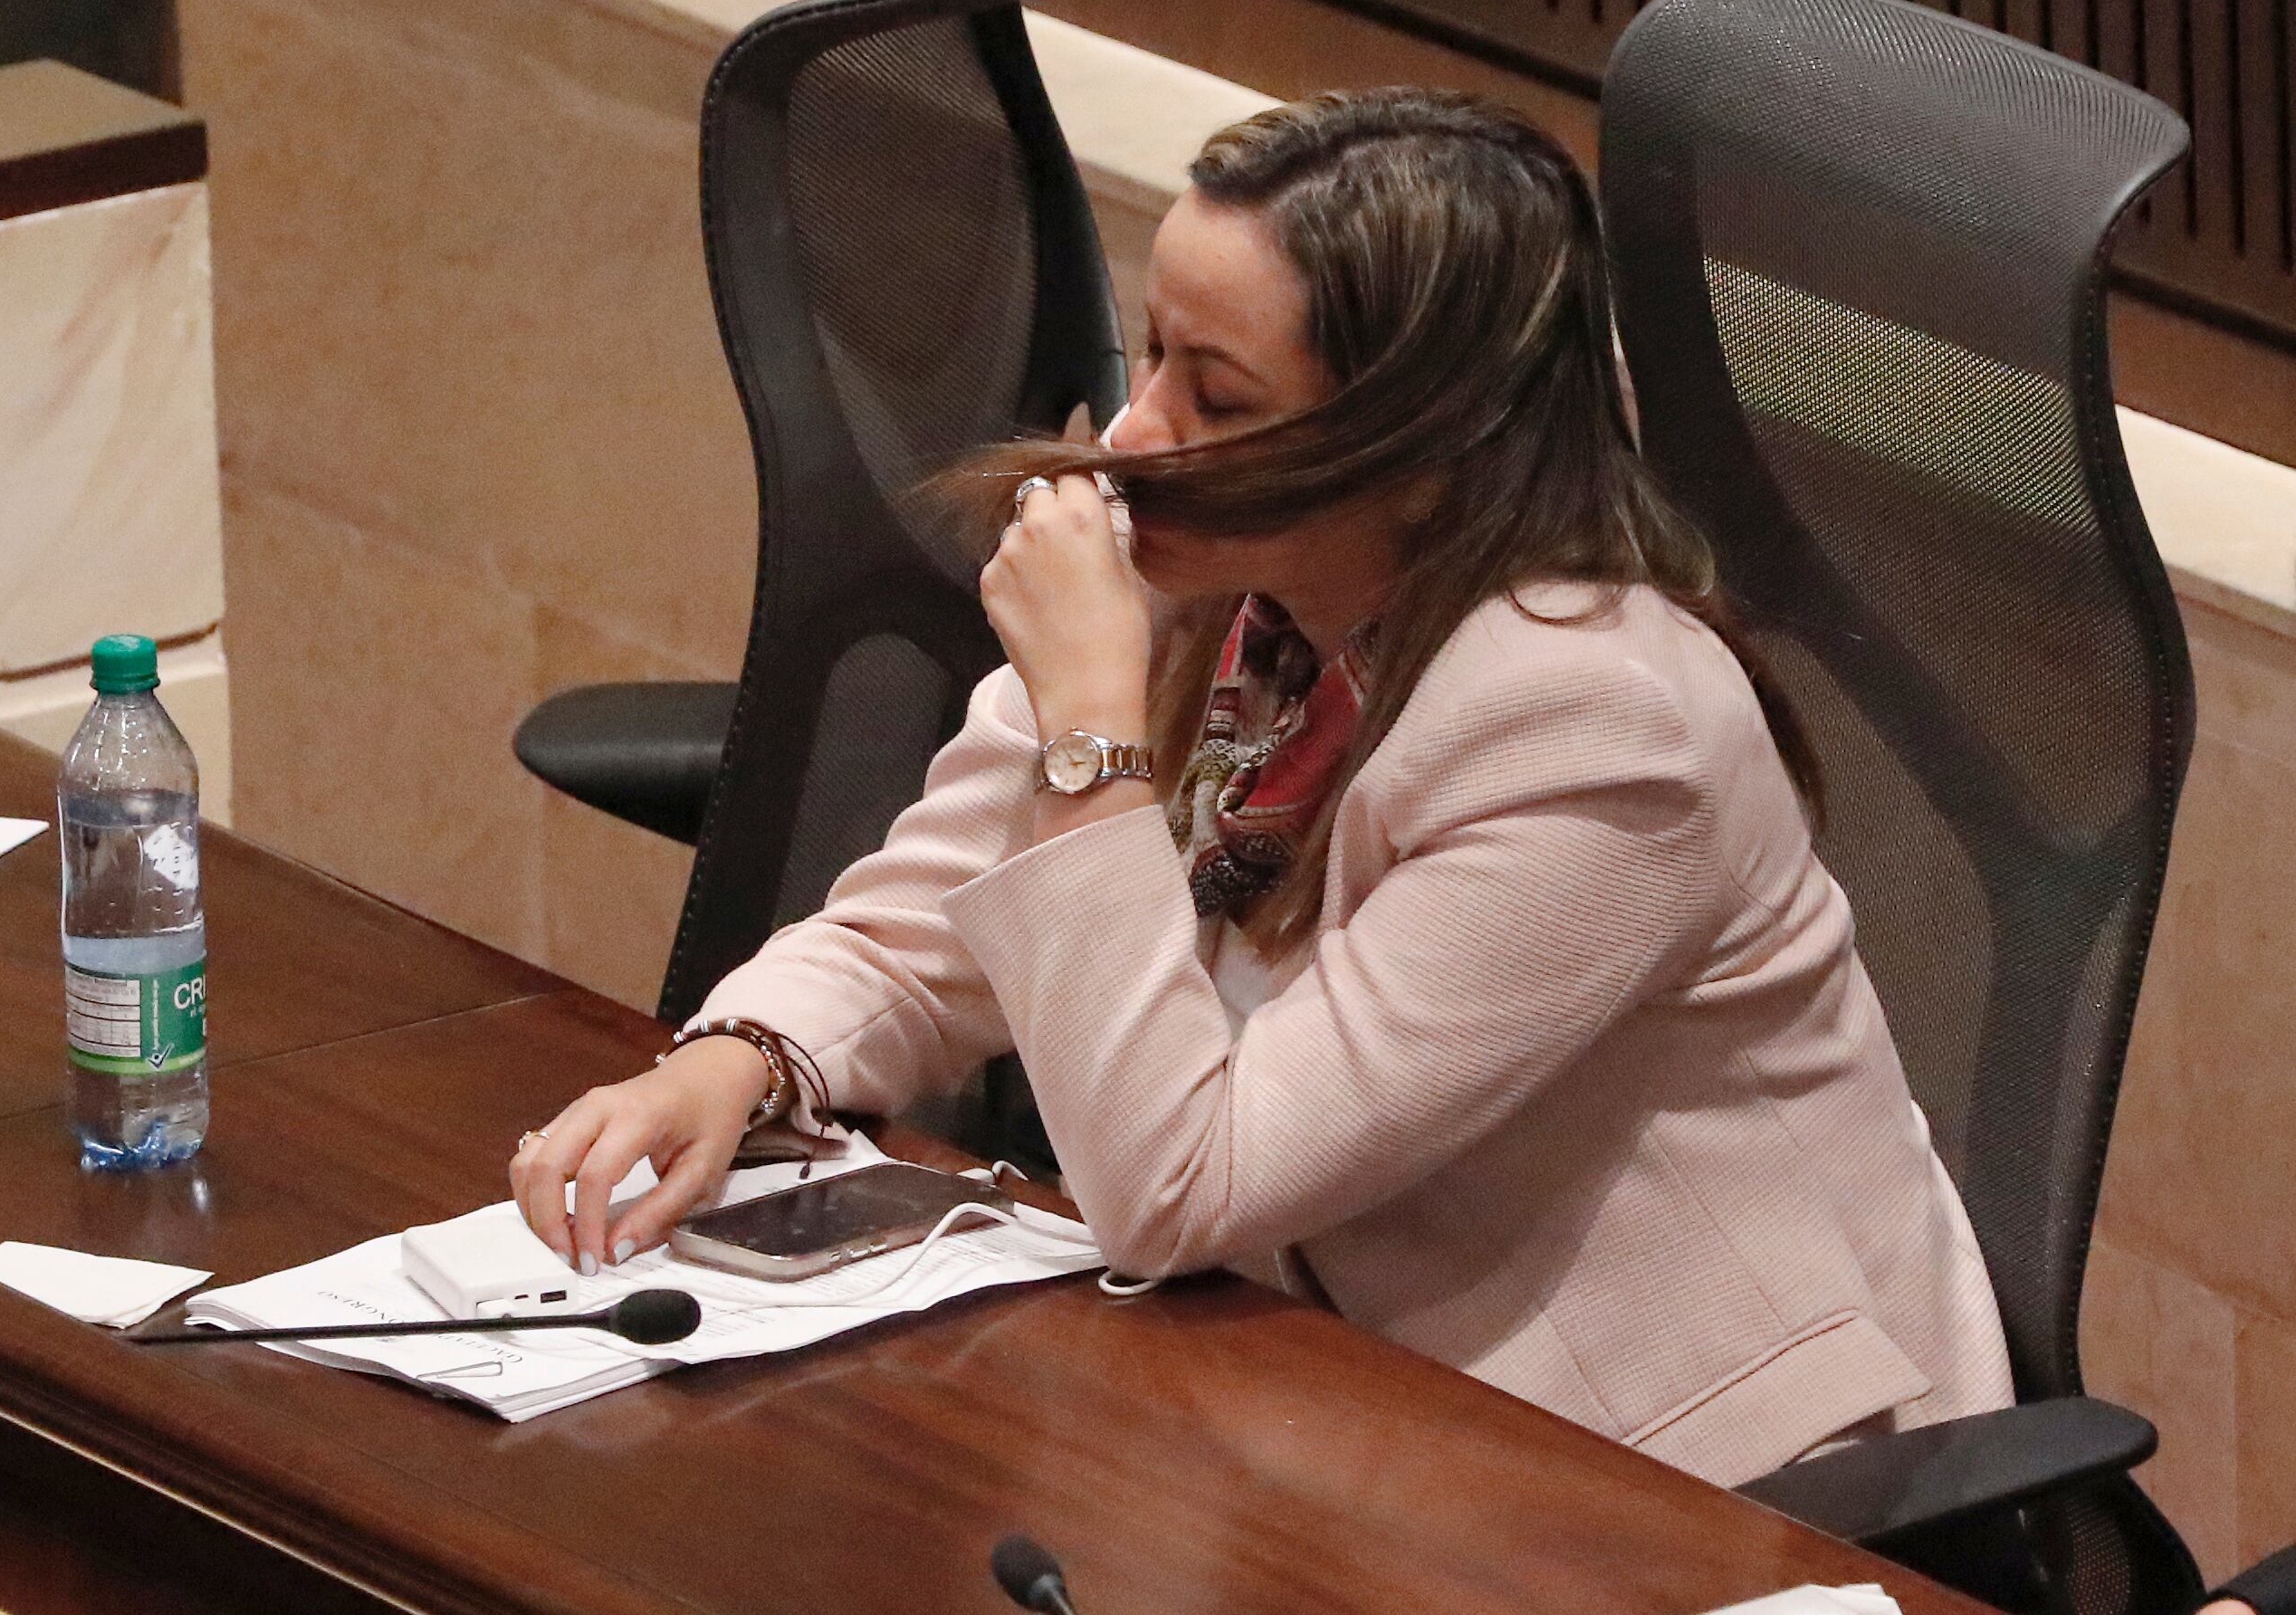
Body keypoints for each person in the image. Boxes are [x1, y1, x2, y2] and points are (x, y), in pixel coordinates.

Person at [510, 88, 2013, 1487]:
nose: (1142, 435)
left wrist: (1093, 722)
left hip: (1693, 1479)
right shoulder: (1222, 586)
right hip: (1337, 1384)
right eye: (1153, 353)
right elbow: (924, 929)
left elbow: (1180, 1186)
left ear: (1426, 449)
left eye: (1218, 397)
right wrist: (743, 1059)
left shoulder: (1596, 726)